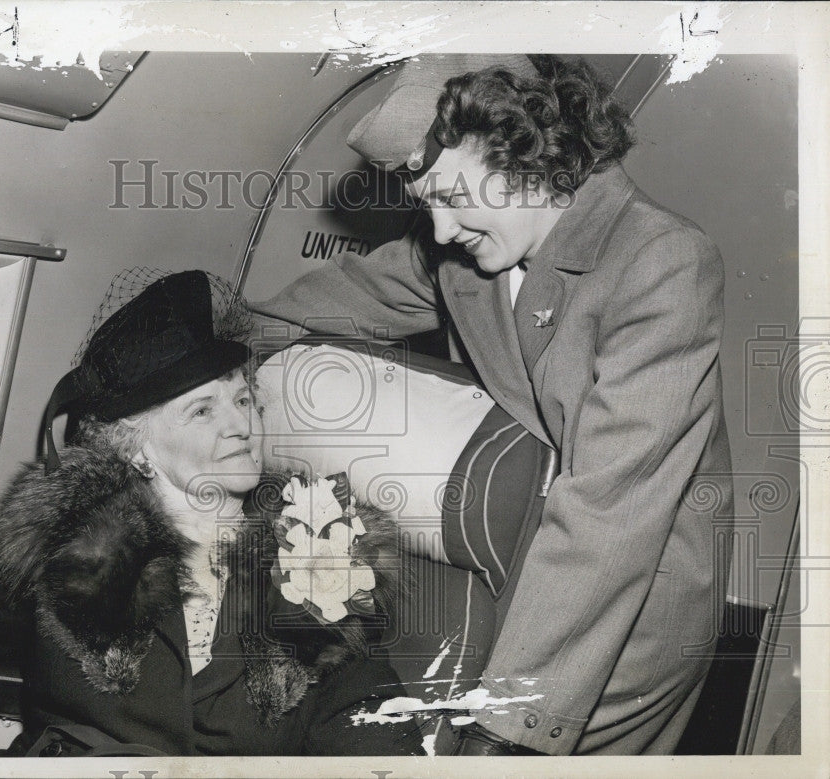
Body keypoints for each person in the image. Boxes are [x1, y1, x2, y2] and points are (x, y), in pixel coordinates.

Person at [250, 54, 733, 755]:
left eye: (449, 196)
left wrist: (507, 725)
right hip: (528, 564)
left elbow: (609, 509)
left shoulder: (662, 262)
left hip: (629, 612)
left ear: (517, 144)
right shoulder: (469, 250)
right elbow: (348, 294)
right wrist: (220, 347)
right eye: (427, 206)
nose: (440, 231)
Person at [0, 269, 424, 757]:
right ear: (137, 448)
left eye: (242, 399)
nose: (240, 425)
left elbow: (363, 713)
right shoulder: (70, 551)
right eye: (202, 410)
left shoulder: (318, 556)